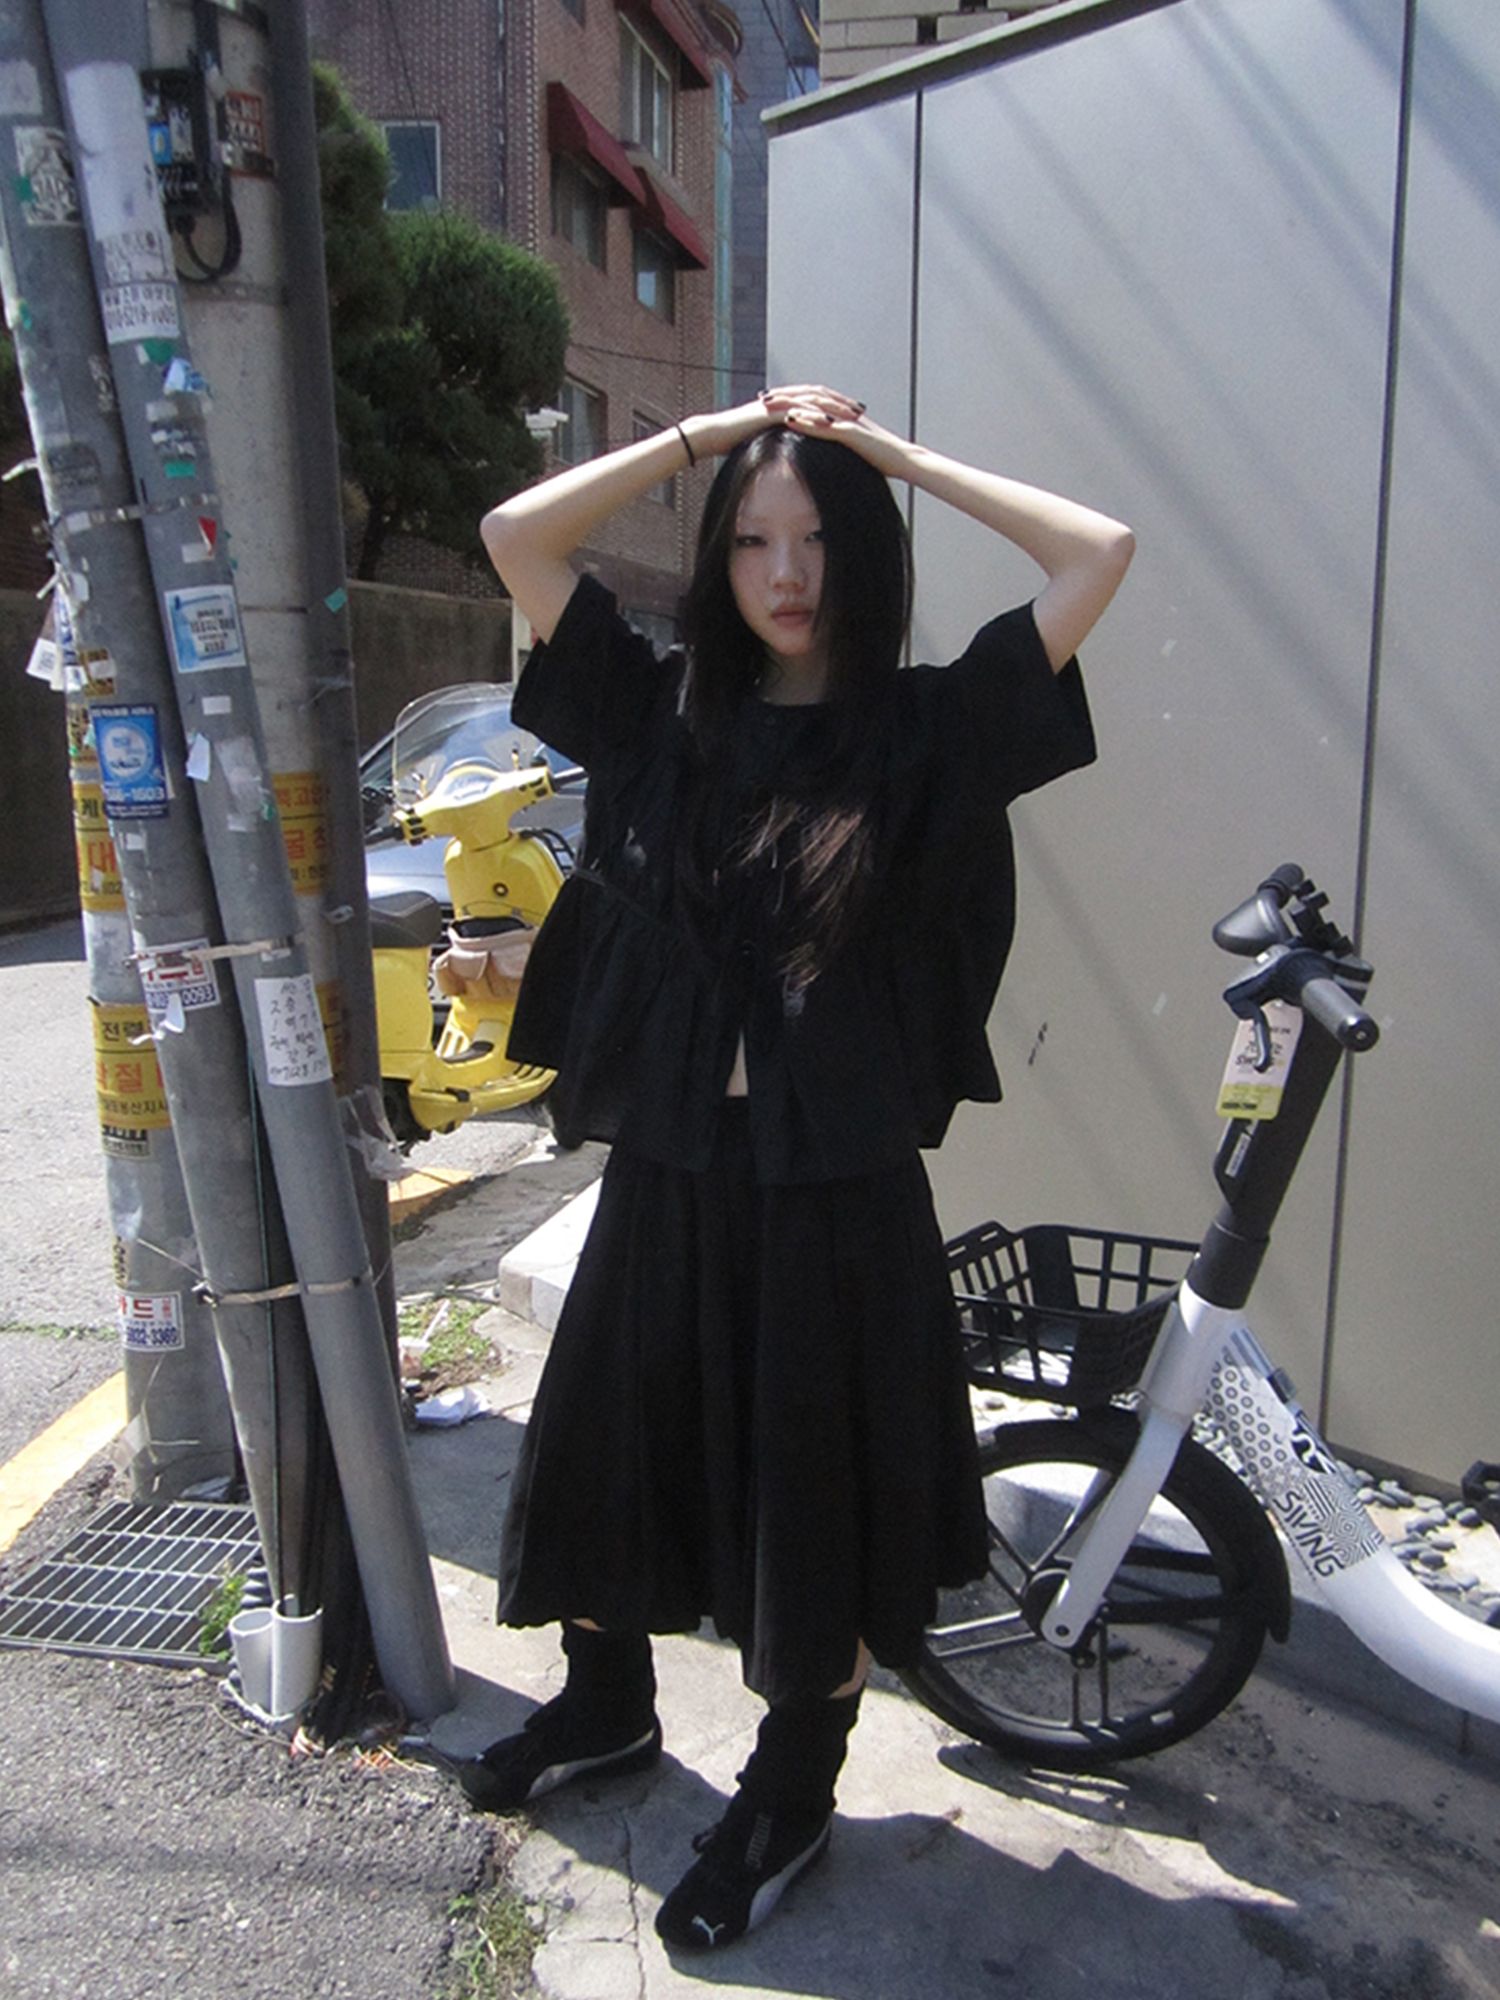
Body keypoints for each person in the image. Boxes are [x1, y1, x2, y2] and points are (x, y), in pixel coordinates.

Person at [457, 386, 1134, 1950]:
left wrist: (884, 453)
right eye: (754, 541)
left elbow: (1098, 553)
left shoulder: (929, 730)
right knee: (612, 1455)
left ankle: (789, 1793)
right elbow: (514, 535)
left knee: (812, 1507)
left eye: (818, 538)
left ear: (863, 552)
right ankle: (608, 1704)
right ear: (717, 559)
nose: (785, 571)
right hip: (673, 1170)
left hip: (836, 1197)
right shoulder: (660, 712)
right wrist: (706, 436)